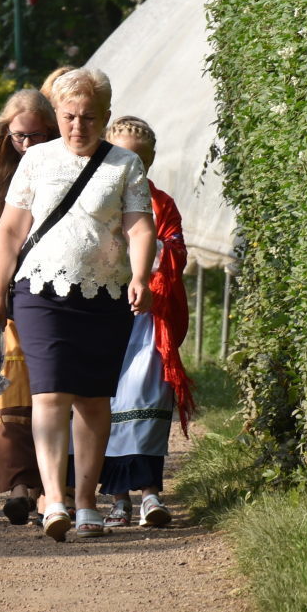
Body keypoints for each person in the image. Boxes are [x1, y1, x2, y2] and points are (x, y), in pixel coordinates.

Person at [0, 67, 156, 542]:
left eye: (89, 117)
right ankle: (55, 499)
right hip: (41, 292)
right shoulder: (37, 160)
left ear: (106, 115)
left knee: (94, 400)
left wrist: (141, 276)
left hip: (106, 294)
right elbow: (9, 232)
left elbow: (140, 227)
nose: (78, 126)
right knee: (50, 394)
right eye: (69, 116)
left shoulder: (125, 165)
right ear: (56, 113)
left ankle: (86, 501)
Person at [0, 88, 57, 525]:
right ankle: (20, 486)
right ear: (6, 134)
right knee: (11, 394)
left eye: (35, 136)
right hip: (10, 299)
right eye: (19, 136)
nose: (26, 144)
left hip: (54, 295)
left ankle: (48, 489)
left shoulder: (64, 168)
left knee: (52, 392)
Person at [98, 116, 196, 528]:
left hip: (147, 320)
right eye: (123, 156)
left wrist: (153, 272)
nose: (130, 166)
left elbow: (175, 250)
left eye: (139, 159)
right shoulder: (96, 197)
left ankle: (150, 493)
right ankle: (117, 498)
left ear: (150, 161)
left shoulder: (162, 203)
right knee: (105, 403)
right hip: (102, 316)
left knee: (148, 400)